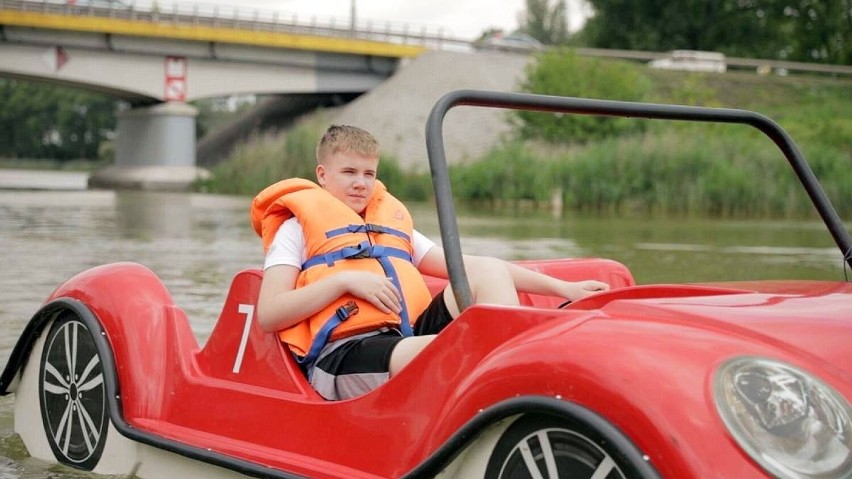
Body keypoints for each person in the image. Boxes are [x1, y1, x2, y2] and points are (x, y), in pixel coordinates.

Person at [251, 125, 609, 400]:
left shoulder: (390, 225)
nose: (361, 184)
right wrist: (343, 283)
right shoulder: (295, 230)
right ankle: (511, 382)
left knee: (485, 271)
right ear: (322, 174)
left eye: (369, 174)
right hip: (344, 356)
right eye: (349, 172)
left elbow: (472, 267)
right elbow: (269, 313)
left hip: (405, 337)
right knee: (457, 349)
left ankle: (515, 368)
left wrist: (564, 289)